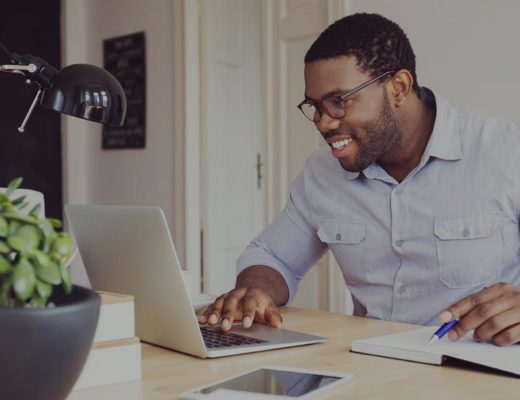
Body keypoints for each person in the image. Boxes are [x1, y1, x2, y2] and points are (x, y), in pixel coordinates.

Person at [198, 13, 520, 345]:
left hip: (477, 375)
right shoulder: (321, 175)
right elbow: (272, 256)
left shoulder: (507, 153)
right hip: (371, 372)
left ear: (398, 87)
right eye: (315, 107)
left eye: (339, 102)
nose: (323, 123)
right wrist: (256, 290)